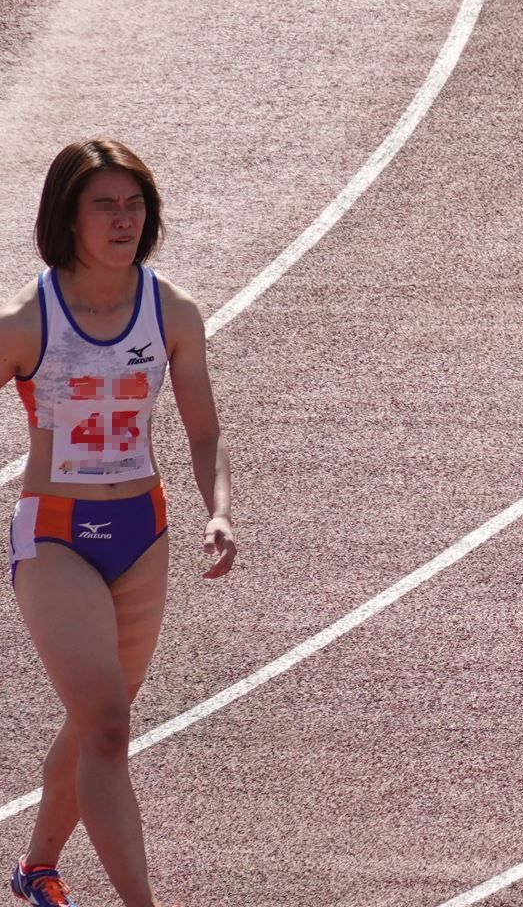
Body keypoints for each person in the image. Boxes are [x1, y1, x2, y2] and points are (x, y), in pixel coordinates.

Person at [1, 140, 237, 906]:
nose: (123, 219)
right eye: (104, 204)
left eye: (134, 204)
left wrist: (219, 511)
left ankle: (36, 871)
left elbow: (203, 432)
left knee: (95, 722)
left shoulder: (172, 311)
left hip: (144, 531)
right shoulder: (25, 323)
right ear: (66, 215)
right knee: (106, 725)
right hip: (55, 535)